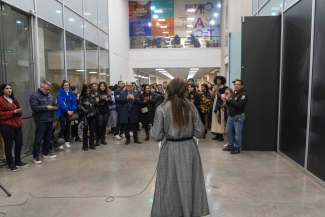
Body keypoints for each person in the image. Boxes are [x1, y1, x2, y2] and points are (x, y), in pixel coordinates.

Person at [151, 78, 209, 217]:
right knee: (189, 181)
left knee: (169, 183)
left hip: (170, 148)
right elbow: (200, 132)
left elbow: (157, 136)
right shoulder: (191, 107)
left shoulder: (161, 109)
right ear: (185, 90)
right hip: (189, 148)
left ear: (168, 89)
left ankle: (171, 211)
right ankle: (189, 211)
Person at [0, 83, 29, 171]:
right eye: (7, 88)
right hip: (6, 125)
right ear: (2, 90)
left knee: (19, 143)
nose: (9, 90)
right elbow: (1, 114)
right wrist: (13, 112)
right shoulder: (1, 100)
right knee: (9, 145)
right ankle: (10, 164)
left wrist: (18, 111)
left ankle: (17, 160)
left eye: (10, 88)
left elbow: (19, 111)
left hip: (17, 124)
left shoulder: (14, 100)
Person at [30, 80, 57, 164]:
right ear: (41, 87)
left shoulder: (49, 96)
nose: (48, 91)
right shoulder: (34, 96)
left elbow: (52, 105)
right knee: (38, 139)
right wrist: (46, 107)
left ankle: (46, 152)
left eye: (49, 89)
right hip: (40, 120)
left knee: (48, 138)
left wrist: (56, 107)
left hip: (49, 119)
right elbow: (34, 108)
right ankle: (36, 156)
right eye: (46, 89)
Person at [224, 80, 248, 154]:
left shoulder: (244, 94)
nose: (236, 85)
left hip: (238, 116)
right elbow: (230, 104)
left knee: (237, 133)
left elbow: (239, 105)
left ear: (242, 86)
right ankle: (230, 145)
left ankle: (237, 148)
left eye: (238, 84)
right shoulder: (233, 93)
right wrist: (227, 101)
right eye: (235, 84)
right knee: (228, 132)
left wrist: (230, 100)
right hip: (230, 116)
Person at [55, 80, 77, 149]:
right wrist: (67, 110)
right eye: (65, 85)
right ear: (62, 86)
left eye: (67, 85)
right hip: (62, 112)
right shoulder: (60, 92)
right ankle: (60, 142)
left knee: (68, 127)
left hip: (70, 112)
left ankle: (67, 141)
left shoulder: (71, 92)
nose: (66, 86)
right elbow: (61, 103)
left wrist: (72, 110)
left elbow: (74, 101)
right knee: (62, 127)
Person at [78, 85, 96, 150]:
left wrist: (95, 103)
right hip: (85, 115)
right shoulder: (81, 97)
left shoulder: (92, 96)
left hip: (92, 114)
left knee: (92, 130)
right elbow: (79, 106)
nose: (88, 92)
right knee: (85, 130)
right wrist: (87, 106)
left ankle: (92, 144)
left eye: (89, 90)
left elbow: (95, 105)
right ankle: (85, 145)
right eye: (87, 90)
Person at [211, 76, 228, 141]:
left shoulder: (225, 88)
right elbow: (212, 97)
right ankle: (217, 134)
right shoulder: (214, 87)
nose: (218, 81)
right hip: (215, 104)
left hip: (221, 105)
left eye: (219, 80)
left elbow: (222, 97)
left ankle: (221, 135)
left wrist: (217, 91)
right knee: (215, 119)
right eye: (217, 80)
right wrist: (213, 91)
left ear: (222, 81)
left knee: (221, 119)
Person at [96, 81, 112, 146]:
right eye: (101, 86)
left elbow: (111, 102)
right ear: (99, 87)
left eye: (103, 86)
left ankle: (103, 139)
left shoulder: (108, 93)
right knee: (100, 125)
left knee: (104, 125)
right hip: (99, 109)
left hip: (106, 109)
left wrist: (107, 100)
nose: (102, 87)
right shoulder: (97, 93)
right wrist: (102, 99)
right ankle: (98, 139)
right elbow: (96, 102)